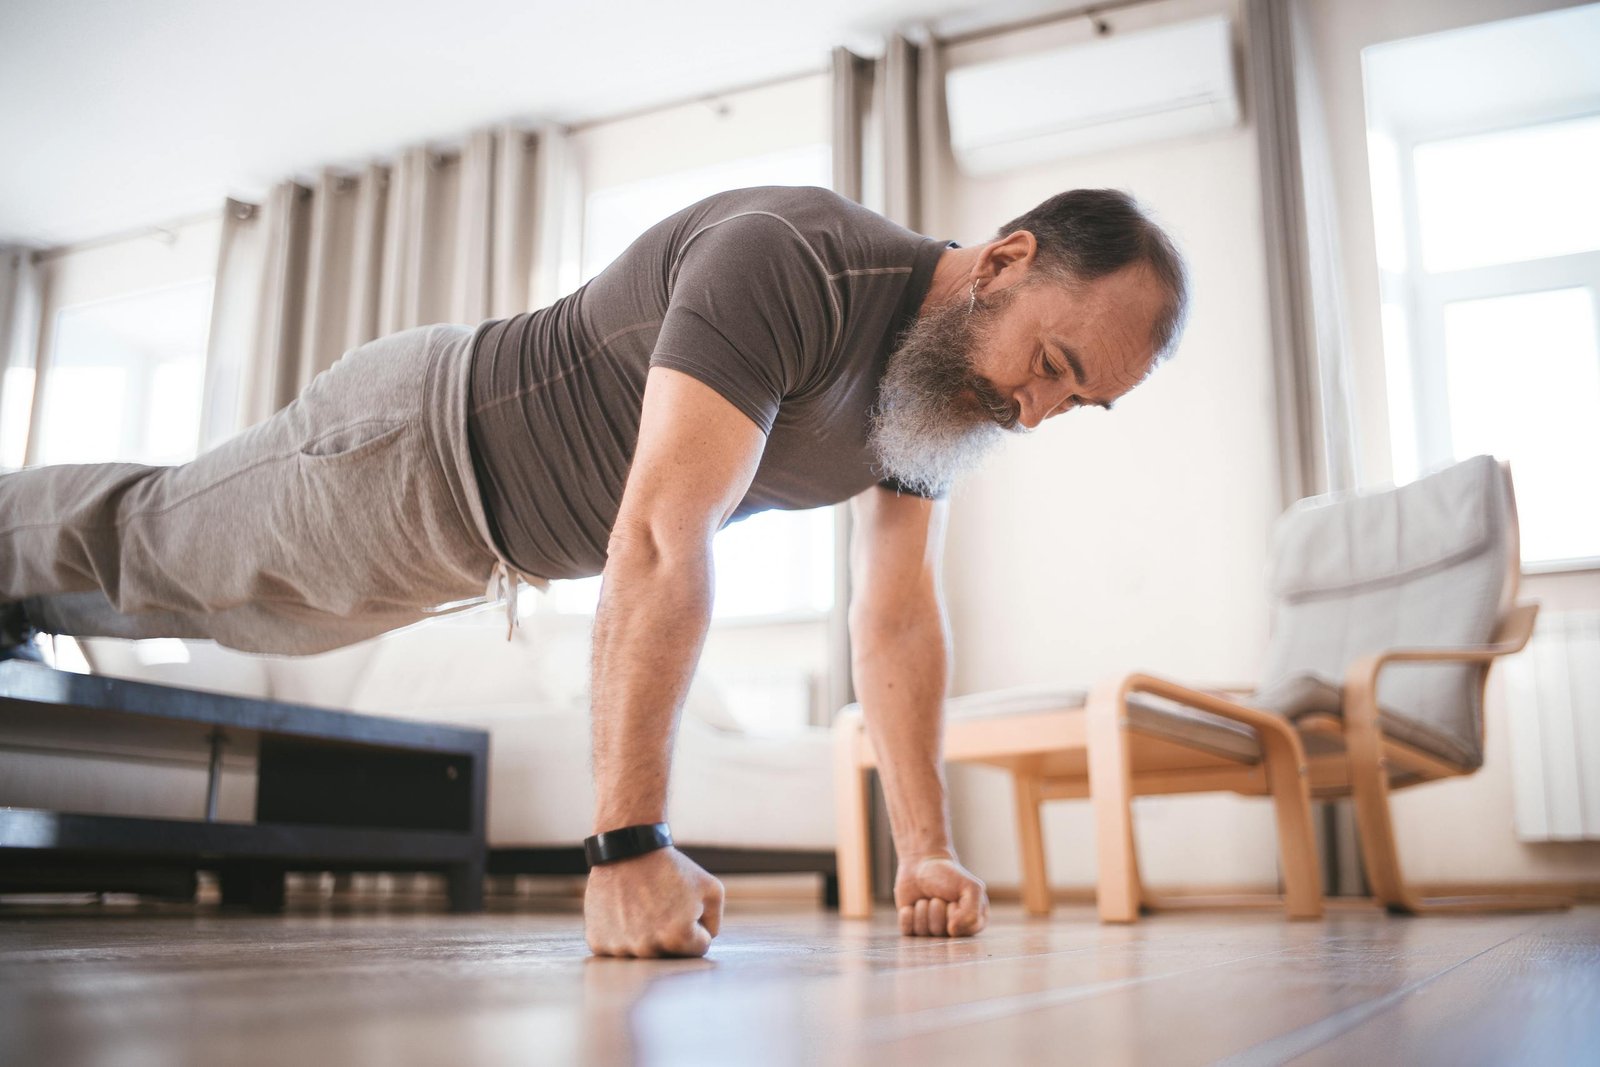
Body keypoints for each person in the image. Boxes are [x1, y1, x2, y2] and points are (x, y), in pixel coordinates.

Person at [0, 184, 1188, 957]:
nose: (1033, 412)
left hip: (476, 545)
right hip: (409, 447)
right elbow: (663, 537)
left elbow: (892, 615)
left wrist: (921, 842)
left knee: (207, 608)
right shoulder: (796, 262)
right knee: (149, 539)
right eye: (1050, 362)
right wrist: (625, 848)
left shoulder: (941, 398)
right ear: (1004, 261)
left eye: (1071, 402)